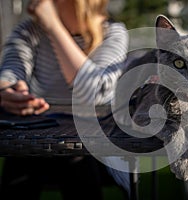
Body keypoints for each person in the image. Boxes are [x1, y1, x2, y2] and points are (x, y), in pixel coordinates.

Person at [0, 0, 129, 199]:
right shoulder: (31, 30)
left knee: (74, 151)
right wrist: (9, 91)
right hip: (41, 142)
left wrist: (53, 25)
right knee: (23, 154)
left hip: (100, 149)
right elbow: (10, 72)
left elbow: (91, 92)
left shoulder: (112, 32)